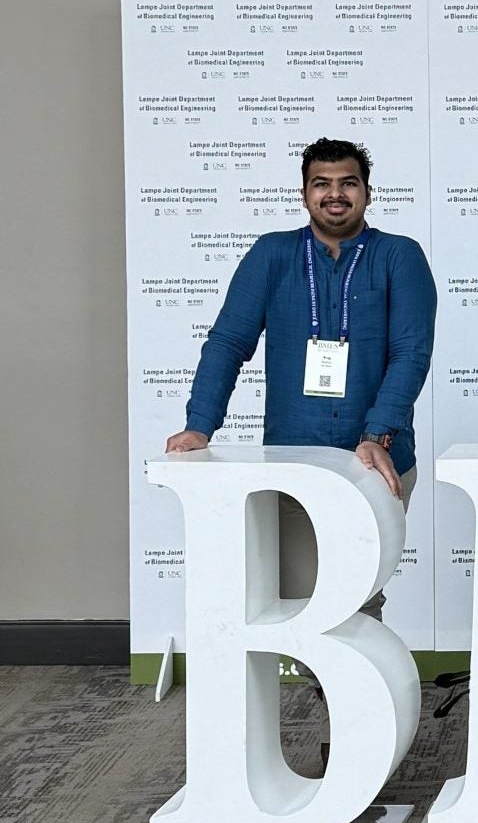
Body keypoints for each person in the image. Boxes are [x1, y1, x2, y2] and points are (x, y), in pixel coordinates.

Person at [165, 137, 437, 629]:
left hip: (375, 461)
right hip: (293, 463)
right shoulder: (273, 255)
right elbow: (228, 342)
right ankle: (314, 678)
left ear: (368, 192)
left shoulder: (400, 257)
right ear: (304, 193)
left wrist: (377, 435)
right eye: (321, 184)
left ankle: (362, 681)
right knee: (299, 602)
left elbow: (410, 353)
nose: (335, 194)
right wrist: (200, 425)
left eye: (348, 183)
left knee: (359, 598)